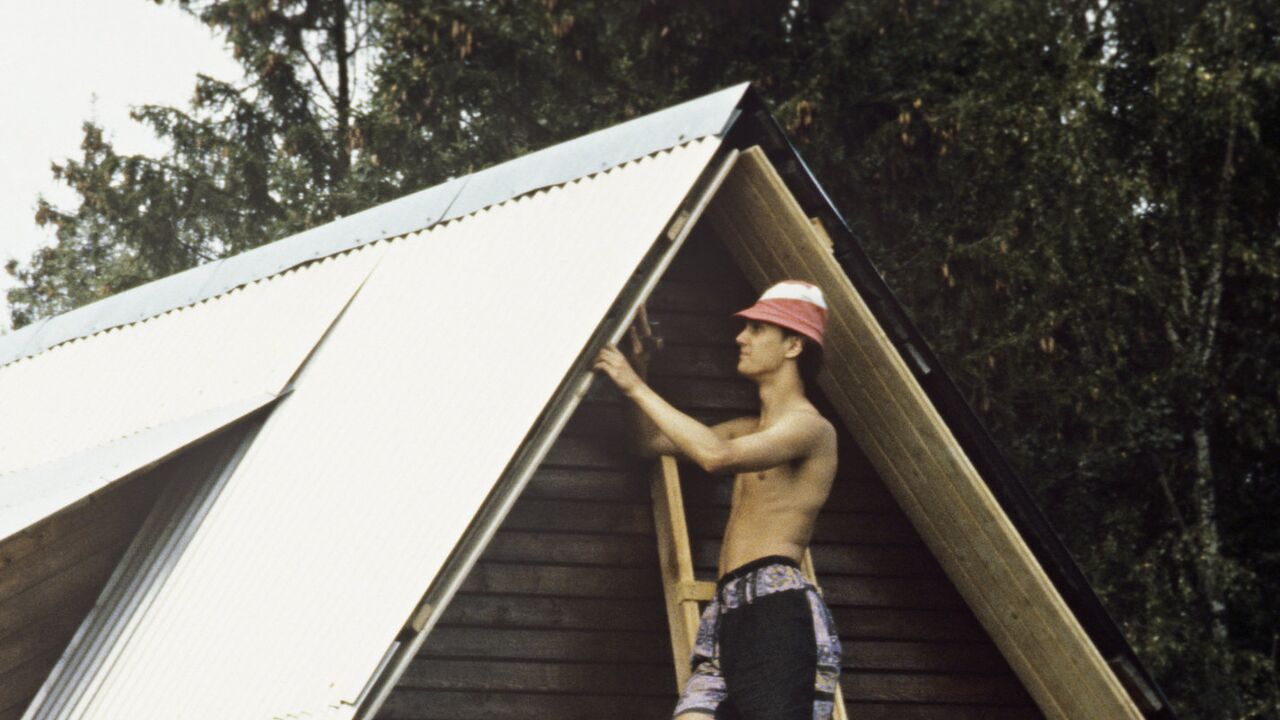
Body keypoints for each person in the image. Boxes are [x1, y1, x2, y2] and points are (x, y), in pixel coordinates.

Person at [593, 280, 842, 720]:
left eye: (757, 329)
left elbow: (714, 456)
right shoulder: (749, 427)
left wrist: (633, 386)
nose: (740, 338)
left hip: (777, 614)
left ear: (793, 345)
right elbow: (647, 443)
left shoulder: (810, 429)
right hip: (727, 613)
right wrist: (642, 371)